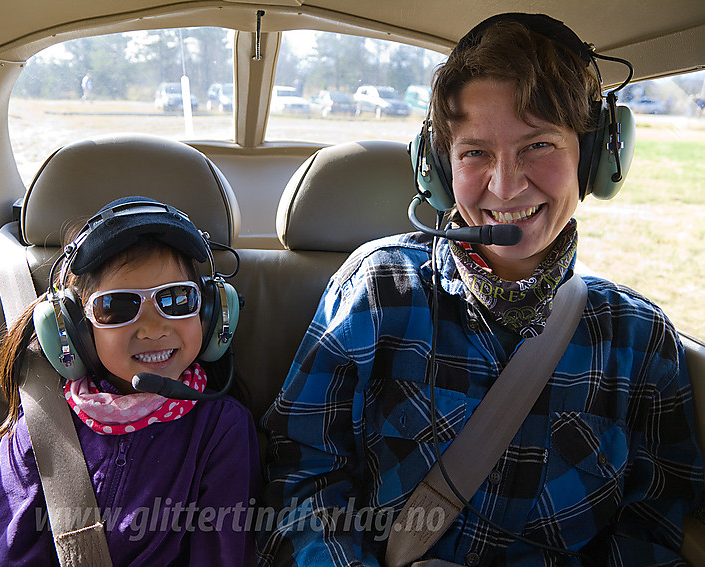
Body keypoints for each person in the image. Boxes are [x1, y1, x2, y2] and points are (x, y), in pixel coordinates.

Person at [258, 13, 703, 566]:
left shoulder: (640, 341)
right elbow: (301, 482)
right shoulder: (379, 291)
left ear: (594, 159)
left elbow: (654, 526)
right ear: (440, 172)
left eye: (538, 144)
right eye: (475, 153)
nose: (506, 184)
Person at [0, 196, 260, 566]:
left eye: (176, 300)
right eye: (116, 307)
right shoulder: (38, 431)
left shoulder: (222, 429)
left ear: (210, 313)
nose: (153, 328)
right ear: (74, 330)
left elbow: (222, 555)